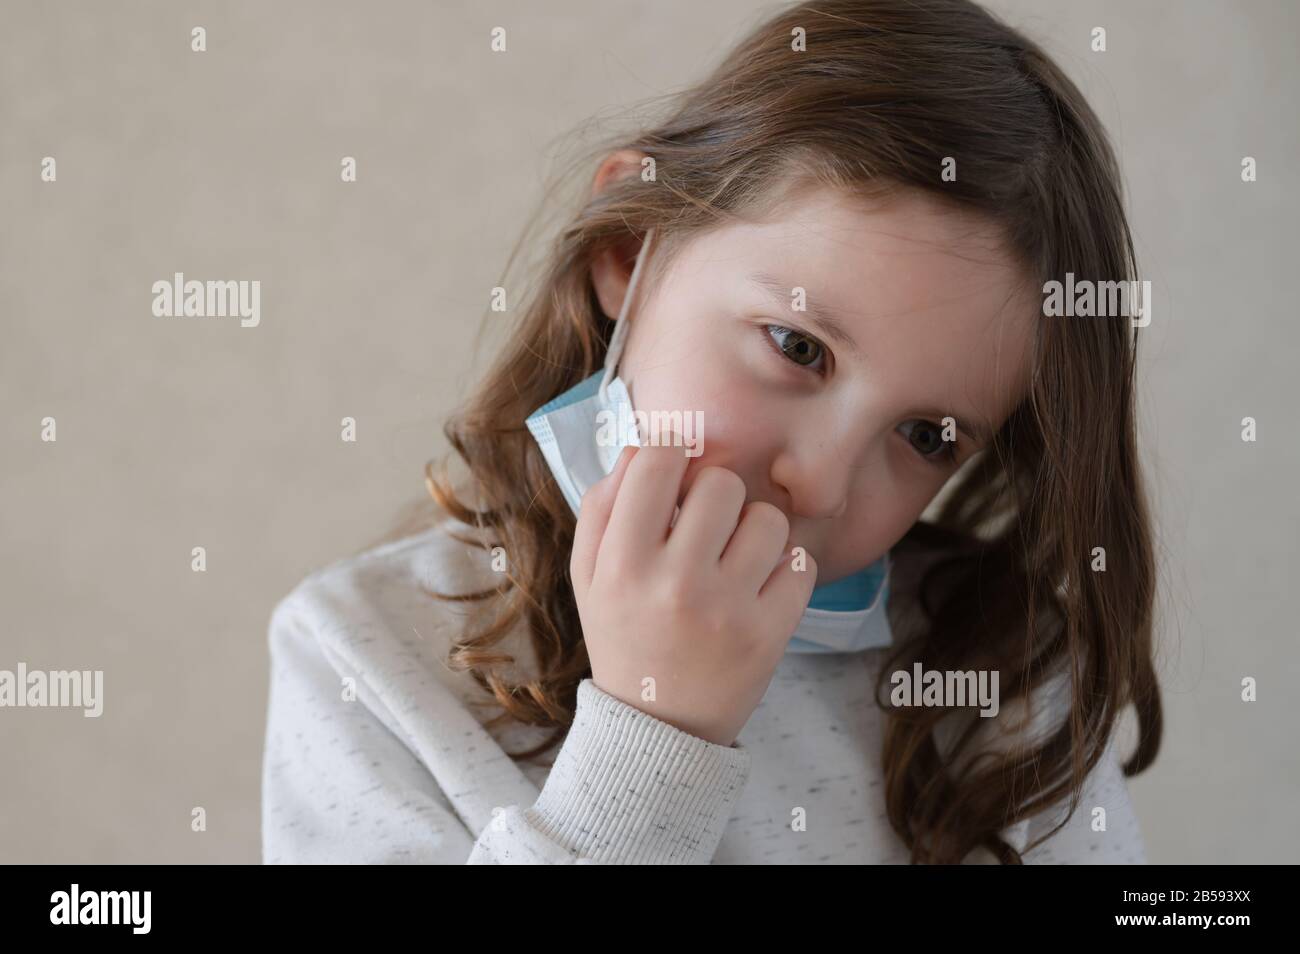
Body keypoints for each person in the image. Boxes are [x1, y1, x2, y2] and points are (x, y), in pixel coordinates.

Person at [261, 0, 1161, 864]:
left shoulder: (1000, 673)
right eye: (798, 346)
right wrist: (656, 738)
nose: (822, 483)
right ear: (627, 253)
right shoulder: (364, 654)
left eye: (927, 436)